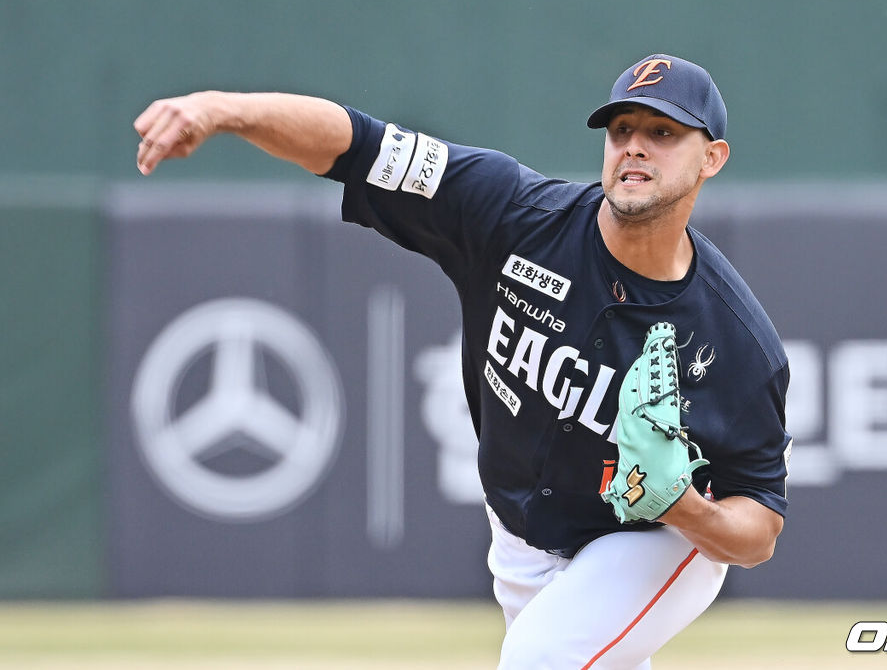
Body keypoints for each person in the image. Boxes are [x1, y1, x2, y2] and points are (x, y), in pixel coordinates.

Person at [135, 53, 792, 669]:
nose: (635, 145)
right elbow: (360, 147)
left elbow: (759, 528)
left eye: (664, 131)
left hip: (657, 539)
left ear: (712, 157)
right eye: (622, 128)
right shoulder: (511, 214)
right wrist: (224, 109)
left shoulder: (732, 340)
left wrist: (685, 509)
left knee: (538, 662)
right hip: (520, 534)